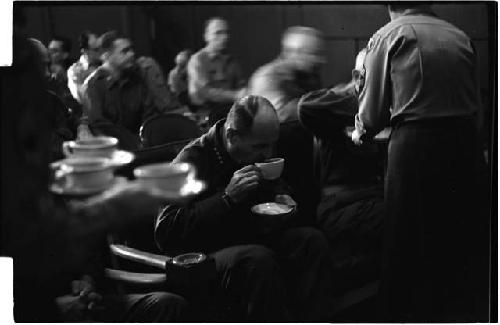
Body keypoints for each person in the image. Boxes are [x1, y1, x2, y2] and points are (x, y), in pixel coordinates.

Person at [3, 14, 189, 321]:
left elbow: (51, 238)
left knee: (167, 305)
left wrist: (86, 280)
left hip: (79, 295)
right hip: (36, 311)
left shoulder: (44, 138)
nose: (51, 76)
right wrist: (50, 308)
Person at [351, 4, 484, 321]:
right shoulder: (460, 36)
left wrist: (361, 132)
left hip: (416, 150)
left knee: (407, 242)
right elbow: (477, 107)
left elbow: (372, 115)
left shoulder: (388, 35)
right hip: (466, 148)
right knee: (456, 241)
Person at [155, 95, 336, 321]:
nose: (269, 154)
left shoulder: (253, 152)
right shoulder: (192, 161)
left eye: (272, 144)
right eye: (260, 146)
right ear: (232, 136)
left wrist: (284, 203)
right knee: (257, 260)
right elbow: (166, 232)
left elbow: (270, 199)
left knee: (311, 241)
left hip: (251, 239)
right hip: (205, 256)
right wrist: (226, 199)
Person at [298, 49, 385, 286]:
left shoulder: (391, 104)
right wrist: (365, 103)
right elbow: (306, 107)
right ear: (359, 77)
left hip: (375, 199)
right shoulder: (340, 103)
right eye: (380, 76)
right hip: (342, 206)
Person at [84, 30, 172, 150]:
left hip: (142, 146)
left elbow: (149, 115)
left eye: (131, 49)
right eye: (124, 51)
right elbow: (99, 125)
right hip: (111, 150)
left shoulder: (137, 78)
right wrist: (133, 142)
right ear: (106, 55)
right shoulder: (94, 85)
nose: (132, 54)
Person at [248, 26, 325, 123]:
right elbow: (278, 116)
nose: (321, 60)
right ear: (294, 53)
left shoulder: (310, 75)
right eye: (314, 54)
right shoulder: (267, 77)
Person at [187, 17, 246, 125]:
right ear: (206, 36)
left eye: (226, 33)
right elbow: (204, 92)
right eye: (218, 33)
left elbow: (241, 87)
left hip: (231, 114)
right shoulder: (198, 60)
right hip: (206, 117)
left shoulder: (232, 61)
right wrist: (235, 95)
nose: (224, 37)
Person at [67, 30, 101, 105]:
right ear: (85, 51)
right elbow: (81, 98)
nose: (101, 52)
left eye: (101, 47)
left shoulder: (105, 62)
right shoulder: (74, 71)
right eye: (96, 50)